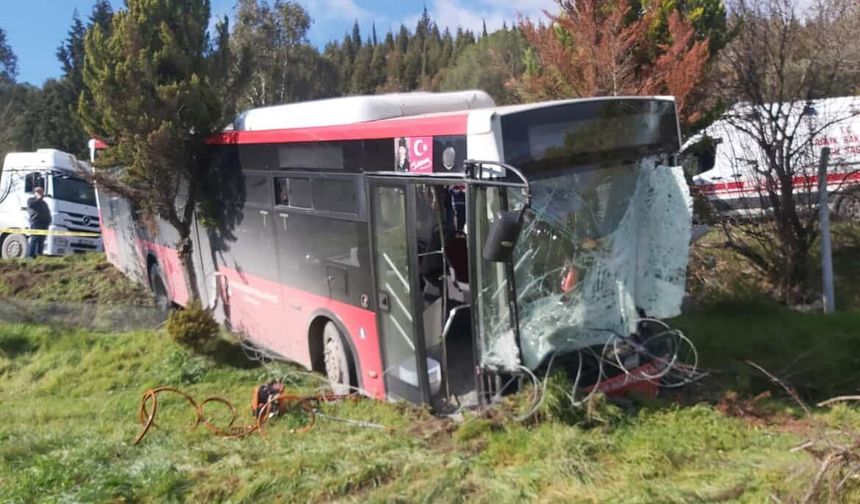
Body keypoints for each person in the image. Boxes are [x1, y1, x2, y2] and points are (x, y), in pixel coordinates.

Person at [27, 186, 51, 258]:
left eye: (41, 192)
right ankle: (31, 255)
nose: (41, 193)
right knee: (34, 238)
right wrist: (38, 198)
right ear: (35, 192)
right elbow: (31, 205)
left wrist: (49, 220)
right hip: (36, 222)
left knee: (41, 240)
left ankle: (40, 255)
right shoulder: (31, 200)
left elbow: (47, 212)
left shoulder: (44, 203)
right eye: (39, 192)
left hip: (44, 223)